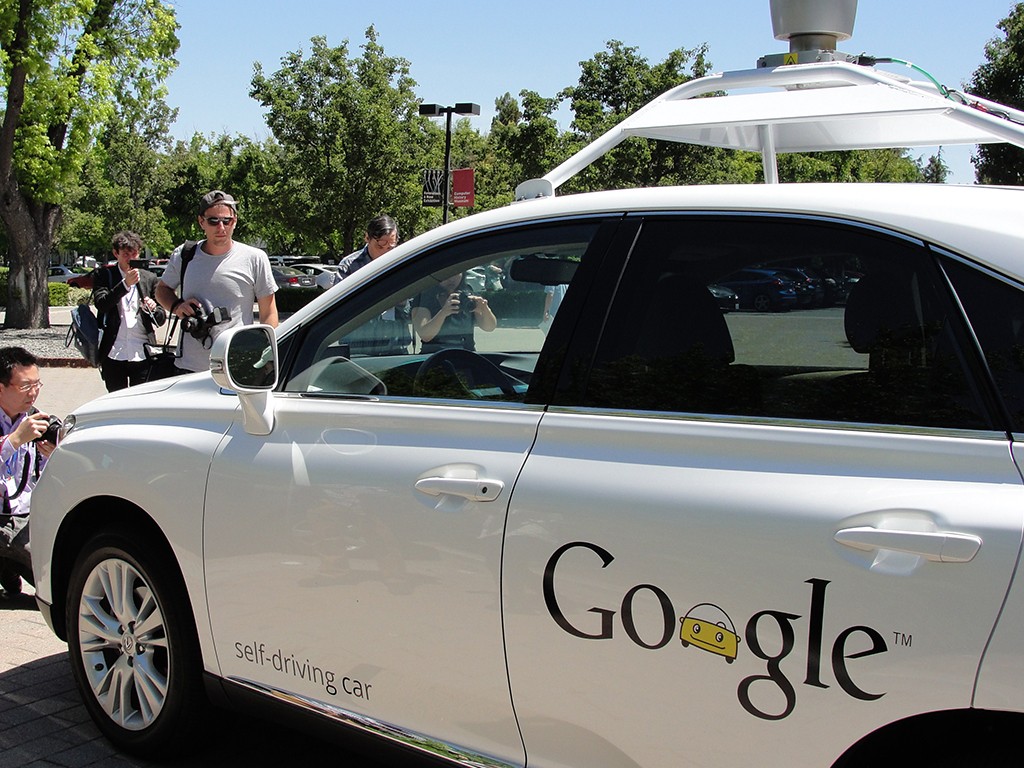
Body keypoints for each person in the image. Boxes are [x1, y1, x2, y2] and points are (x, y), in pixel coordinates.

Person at [156, 190, 279, 373]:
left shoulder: (255, 258)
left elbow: (268, 312)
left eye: (226, 221)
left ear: (235, 221)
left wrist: (263, 354)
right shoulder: (184, 254)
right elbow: (161, 290)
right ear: (201, 222)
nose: (221, 227)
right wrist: (177, 306)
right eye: (213, 221)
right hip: (189, 368)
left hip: (237, 367)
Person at [0, 348, 57, 597]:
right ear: (1, 387)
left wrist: (55, 457)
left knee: (56, 584)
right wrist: (13, 440)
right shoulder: (24, 430)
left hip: (27, 520)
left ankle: (9, 564)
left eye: (37, 384)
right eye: (25, 386)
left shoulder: (38, 422)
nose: (33, 393)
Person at [92, 231, 167, 392]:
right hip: (113, 351)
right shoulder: (105, 275)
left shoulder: (150, 278)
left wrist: (152, 308)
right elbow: (102, 304)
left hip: (142, 351)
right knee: (115, 399)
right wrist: (125, 285)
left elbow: (161, 319)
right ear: (116, 253)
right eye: (126, 254)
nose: (130, 258)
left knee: (139, 401)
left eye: (134, 253)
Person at [411, 272, 497, 354]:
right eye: (446, 274)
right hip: (435, 356)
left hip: (466, 355)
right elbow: (425, 335)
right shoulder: (424, 297)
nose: (451, 279)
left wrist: (484, 309)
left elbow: (489, 327)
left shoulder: (467, 293)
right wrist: (443, 313)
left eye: (456, 273)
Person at [319, 214, 399, 289]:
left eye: (390, 247)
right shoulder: (348, 266)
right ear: (367, 238)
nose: (385, 253)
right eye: (380, 247)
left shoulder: (400, 262)